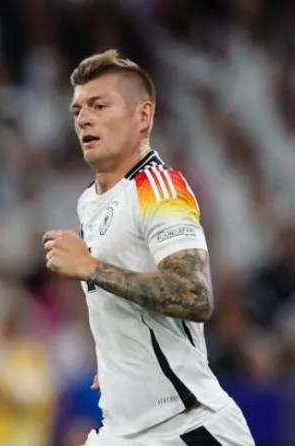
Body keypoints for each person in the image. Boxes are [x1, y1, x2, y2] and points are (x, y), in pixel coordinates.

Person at [42, 49, 255, 446]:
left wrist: (90, 267)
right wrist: (122, 364)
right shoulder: (89, 202)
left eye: (99, 106)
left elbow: (194, 293)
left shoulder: (159, 187)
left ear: (143, 116)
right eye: (77, 110)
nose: (83, 118)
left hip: (185, 427)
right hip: (121, 431)